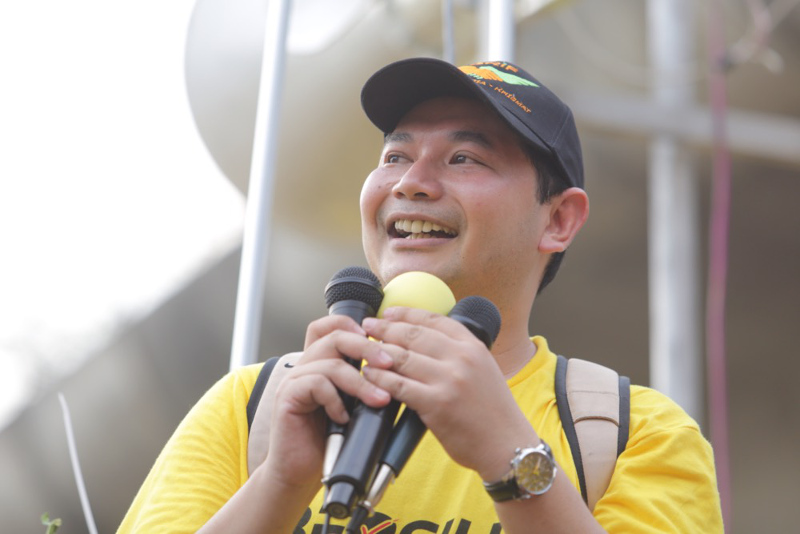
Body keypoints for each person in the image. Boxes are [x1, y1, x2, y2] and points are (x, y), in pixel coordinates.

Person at [118, 58, 723, 533]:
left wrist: (512, 459)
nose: (410, 182)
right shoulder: (249, 407)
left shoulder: (633, 432)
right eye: (395, 155)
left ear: (559, 219)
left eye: (464, 157)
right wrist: (280, 479)